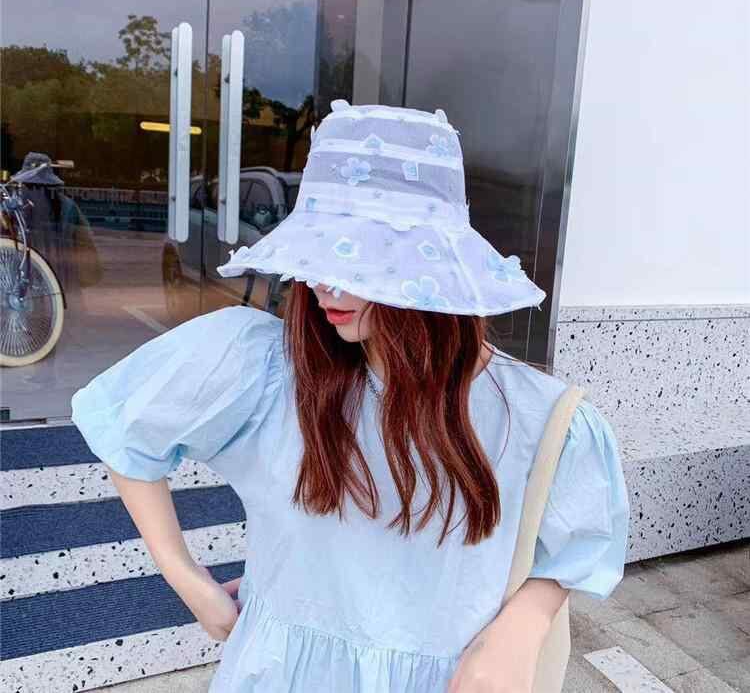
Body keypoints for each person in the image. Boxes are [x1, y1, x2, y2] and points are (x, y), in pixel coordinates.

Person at [70, 100, 630, 693]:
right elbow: (127, 429)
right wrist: (190, 582)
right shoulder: (267, 368)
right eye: (321, 252)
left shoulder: (540, 416)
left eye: (359, 260)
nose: (323, 284)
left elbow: (577, 550)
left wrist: (522, 627)